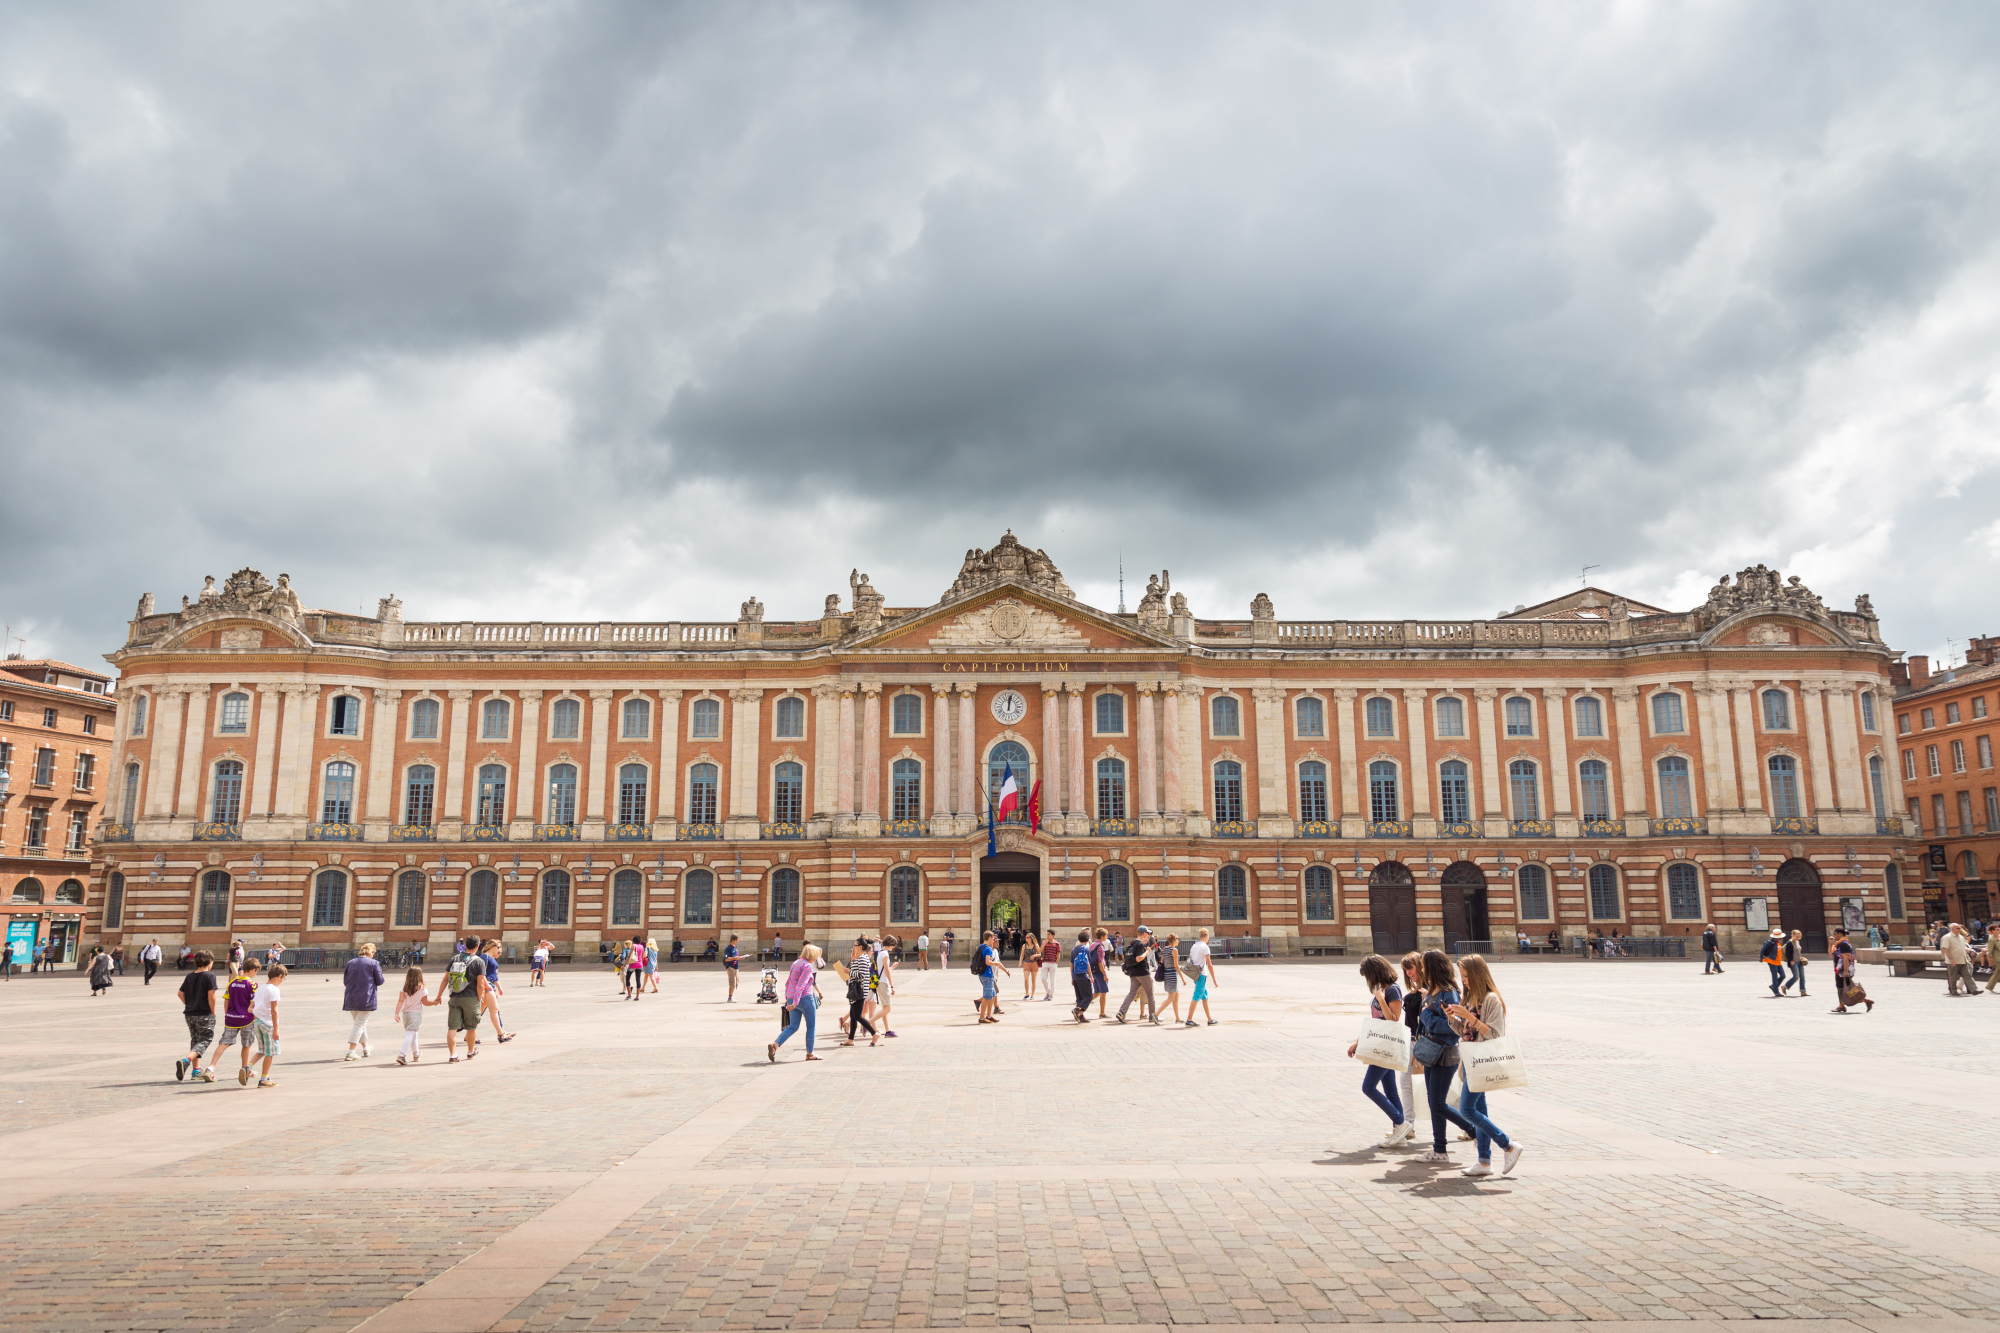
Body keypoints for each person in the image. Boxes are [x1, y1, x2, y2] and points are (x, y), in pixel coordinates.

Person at [1445, 955, 1526, 1177]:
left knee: (1467, 1109)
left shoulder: (1491, 1000)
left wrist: (1469, 1017)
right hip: (1471, 1061)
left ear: (1478, 974)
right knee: (1479, 1110)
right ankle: (1484, 1162)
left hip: (1483, 1061)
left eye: (1466, 976)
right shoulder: (1470, 998)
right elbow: (1466, 1033)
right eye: (1461, 976)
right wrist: (1454, 1019)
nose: (1464, 980)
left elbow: (1495, 1034)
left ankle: (1508, 1145)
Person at [1411, 950, 1482, 1165]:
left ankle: (1474, 1131)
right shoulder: (1432, 991)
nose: (1421, 969)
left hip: (1445, 1052)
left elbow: (1452, 1027)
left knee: (1438, 1104)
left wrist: (1425, 1014)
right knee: (1434, 1103)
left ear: (1433, 967)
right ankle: (1439, 1149)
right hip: (1431, 1050)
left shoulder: (1448, 993)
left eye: (1423, 966)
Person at [1348, 954, 1405, 1144]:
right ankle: (1400, 1131)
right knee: (1390, 1090)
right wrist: (1358, 1041)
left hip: (1386, 1046)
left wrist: (1381, 999)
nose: (1368, 981)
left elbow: (1394, 1020)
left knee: (1369, 1087)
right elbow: (1375, 1021)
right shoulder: (1382, 989)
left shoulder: (1393, 991)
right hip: (1379, 1043)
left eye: (1368, 976)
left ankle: (1400, 1122)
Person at [769, 944, 825, 1061]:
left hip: (792, 997)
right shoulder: (807, 966)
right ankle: (810, 1053)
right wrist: (795, 1001)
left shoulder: (796, 963)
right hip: (804, 998)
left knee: (793, 1026)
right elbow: (801, 985)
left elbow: (788, 982)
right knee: (811, 1027)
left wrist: (789, 998)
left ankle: (775, 1045)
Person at [436, 938, 489, 1061]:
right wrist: (479, 998)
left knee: (452, 1028)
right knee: (471, 1027)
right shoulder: (479, 961)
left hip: (454, 997)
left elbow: (445, 979)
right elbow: (481, 984)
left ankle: (453, 1055)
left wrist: (439, 995)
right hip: (471, 998)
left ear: (465, 945)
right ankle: (470, 1052)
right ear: (477, 946)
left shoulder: (454, 959)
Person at [175, 950, 222, 1082]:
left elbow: (180, 993)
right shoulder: (210, 976)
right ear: (210, 962)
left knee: (195, 1040)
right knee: (205, 1039)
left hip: (190, 1014)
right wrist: (212, 1011)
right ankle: (186, 1060)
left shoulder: (190, 975)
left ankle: (196, 1071)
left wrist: (190, 1004)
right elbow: (211, 995)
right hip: (204, 1013)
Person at [1394, 951, 1425, 1142]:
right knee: (1405, 1083)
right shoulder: (1416, 990)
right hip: (1410, 1040)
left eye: (1410, 969)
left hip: (1423, 1043)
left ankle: (1466, 1123)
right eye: (1405, 971)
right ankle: (1409, 1125)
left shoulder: (1428, 991)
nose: (1408, 973)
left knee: (1435, 1089)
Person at [217, 960, 262, 1084]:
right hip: (246, 1018)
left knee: (224, 1042)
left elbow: (226, 1000)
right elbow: (254, 1003)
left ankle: (211, 1066)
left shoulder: (232, 982)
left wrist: (227, 1014)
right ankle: (245, 1068)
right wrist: (254, 1017)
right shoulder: (252, 984)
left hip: (231, 1017)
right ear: (253, 970)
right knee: (246, 1044)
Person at [339, 943, 385, 1060]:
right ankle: (351, 1051)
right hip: (366, 998)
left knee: (359, 1023)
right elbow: (380, 981)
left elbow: (345, 981)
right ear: (371, 952)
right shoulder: (374, 963)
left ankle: (365, 1048)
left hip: (351, 997)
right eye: (373, 952)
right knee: (359, 1024)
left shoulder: (350, 962)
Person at [250, 963, 286, 1088]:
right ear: (280, 976)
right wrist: (276, 1029)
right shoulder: (274, 990)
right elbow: (274, 1010)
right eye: (283, 978)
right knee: (270, 1053)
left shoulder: (260, 988)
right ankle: (264, 1078)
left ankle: (248, 1067)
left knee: (262, 1050)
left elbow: (253, 1006)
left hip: (258, 1022)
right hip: (268, 1024)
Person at [394, 967, 437, 1064]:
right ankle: (402, 1055)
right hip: (415, 1014)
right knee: (410, 1034)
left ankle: (416, 1053)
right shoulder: (422, 988)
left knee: (413, 1034)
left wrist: (396, 1013)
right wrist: (435, 1003)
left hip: (406, 1014)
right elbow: (425, 1002)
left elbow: (400, 1001)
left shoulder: (404, 988)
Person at [842, 938, 880, 1046]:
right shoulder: (859, 958)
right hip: (856, 990)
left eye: (855, 945)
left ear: (860, 947)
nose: (853, 947)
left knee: (857, 1015)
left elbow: (862, 975)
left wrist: (848, 971)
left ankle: (874, 1033)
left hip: (859, 990)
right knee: (853, 1015)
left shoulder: (863, 958)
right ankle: (850, 1039)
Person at [1117, 926, 1158, 1024]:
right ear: (1144, 933)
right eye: (1147, 933)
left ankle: (1121, 1012)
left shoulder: (1132, 943)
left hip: (1133, 972)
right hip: (1142, 972)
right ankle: (1152, 1016)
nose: (1148, 935)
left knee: (1132, 993)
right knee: (1150, 993)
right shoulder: (1140, 944)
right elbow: (1139, 958)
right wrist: (1147, 952)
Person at [1830, 928, 1870, 1013]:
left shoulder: (1844, 944)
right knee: (1846, 987)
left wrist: (1845, 971)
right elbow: (1831, 955)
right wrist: (1830, 944)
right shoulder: (1838, 944)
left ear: (1840, 934)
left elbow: (1846, 958)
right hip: (1839, 969)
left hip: (1843, 970)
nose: (1834, 936)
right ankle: (1865, 1001)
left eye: (1835, 934)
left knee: (1844, 988)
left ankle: (1842, 1006)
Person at [482, 939, 515, 1040]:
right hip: (486, 985)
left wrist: (499, 987)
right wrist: (487, 986)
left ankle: (502, 1032)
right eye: (499, 950)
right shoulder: (484, 957)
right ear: (493, 947)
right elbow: (481, 973)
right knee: (491, 1011)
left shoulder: (491, 958)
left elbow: (495, 976)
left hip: (490, 985)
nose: (500, 953)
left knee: (489, 1011)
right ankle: (501, 1034)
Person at [1183, 927, 1217, 1027]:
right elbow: (1209, 964)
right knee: (1196, 996)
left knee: (1204, 996)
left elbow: (1190, 959)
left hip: (1195, 974)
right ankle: (1189, 1020)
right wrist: (1214, 980)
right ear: (1206, 936)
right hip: (1202, 974)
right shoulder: (1205, 947)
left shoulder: (1194, 946)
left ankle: (1210, 1019)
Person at [976, 930, 1009, 1023]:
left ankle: (989, 1015)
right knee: (987, 997)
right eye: (993, 938)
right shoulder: (988, 949)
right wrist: (996, 963)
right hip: (987, 974)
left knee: (993, 994)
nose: (994, 941)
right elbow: (988, 962)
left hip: (982, 974)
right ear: (990, 938)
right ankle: (982, 1018)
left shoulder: (981, 946)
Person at [1156, 933, 1186, 1024]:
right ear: (1174, 939)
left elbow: (1162, 962)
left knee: (1176, 996)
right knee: (1171, 998)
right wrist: (1183, 978)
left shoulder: (1165, 949)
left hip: (1167, 973)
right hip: (1172, 974)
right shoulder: (1174, 950)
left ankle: (1177, 1018)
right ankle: (1155, 1014)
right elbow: (1176, 966)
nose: (1178, 940)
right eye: (1177, 938)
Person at [873, 934, 898, 1037]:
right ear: (890, 944)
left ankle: (888, 1031)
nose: (894, 947)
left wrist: (892, 967)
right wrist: (892, 985)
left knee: (885, 1008)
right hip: (884, 983)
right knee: (887, 1009)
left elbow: (884, 969)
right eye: (893, 945)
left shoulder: (880, 953)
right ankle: (868, 1023)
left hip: (880, 982)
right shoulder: (885, 954)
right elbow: (886, 971)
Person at [1941, 922, 1976, 996]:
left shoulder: (1961, 937)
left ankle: (1974, 990)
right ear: (1952, 929)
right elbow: (1945, 948)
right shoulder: (1947, 937)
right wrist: (1951, 959)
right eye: (1958, 928)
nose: (1960, 929)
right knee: (1953, 977)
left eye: (1960, 927)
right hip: (1953, 961)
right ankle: (1953, 991)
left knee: (1967, 975)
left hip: (1963, 960)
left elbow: (1963, 948)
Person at [1781, 929, 1809, 996]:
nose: (1798, 938)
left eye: (1799, 937)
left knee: (1802, 977)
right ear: (1792, 935)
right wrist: (1791, 960)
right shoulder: (1789, 943)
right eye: (1797, 936)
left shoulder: (1797, 942)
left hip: (1799, 962)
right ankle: (1785, 986)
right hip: (1793, 962)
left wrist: (1801, 958)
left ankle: (1803, 991)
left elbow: (1798, 951)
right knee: (1796, 977)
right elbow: (1788, 953)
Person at [1759, 928, 1786, 996]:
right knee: (1775, 976)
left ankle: (1773, 986)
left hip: (1778, 961)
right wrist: (1761, 957)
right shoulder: (1770, 942)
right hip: (1772, 961)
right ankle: (1776, 992)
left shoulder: (1779, 942)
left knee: (1783, 975)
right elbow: (1763, 949)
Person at [1020, 930, 1040, 1000]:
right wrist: (1020, 962)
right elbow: (1022, 955)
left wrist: (1034, 955)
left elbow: (1040, 954)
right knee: (1026, 979)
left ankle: (1032, 995)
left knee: (1033, 980)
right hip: (1026, 963)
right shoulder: (1024, 946)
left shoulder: (1036, 945)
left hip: (1034, 963)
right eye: (1026, 937)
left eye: (1028, 937)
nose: (1026, 938)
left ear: (1031, 938)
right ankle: (1027, 994)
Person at [723, 934, 741, 1002]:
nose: (737, 941)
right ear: (732, 940)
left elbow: (735, 956)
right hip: (730, 967)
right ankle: (730, 997)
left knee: (736, 981)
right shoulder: (728, 948)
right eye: (736, 940)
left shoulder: (735, 948)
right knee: (732, 982)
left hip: (736, 967)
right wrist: (734, 958)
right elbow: (726, 959)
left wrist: (740, 957)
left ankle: (732, 996)